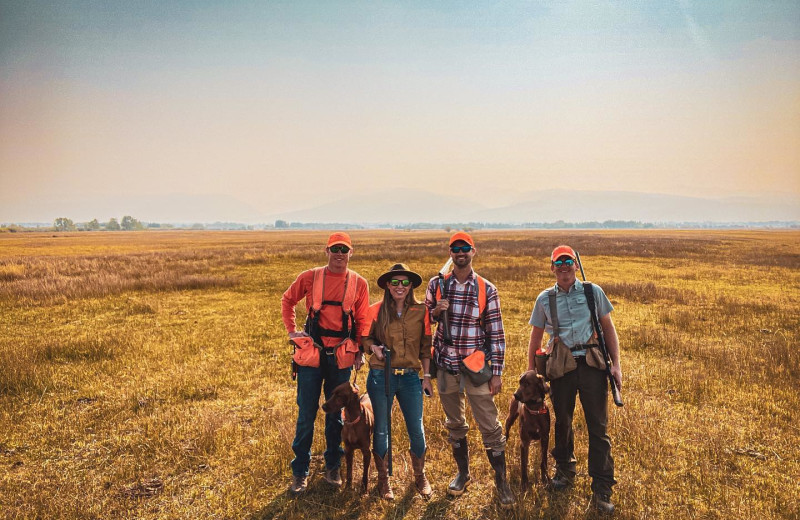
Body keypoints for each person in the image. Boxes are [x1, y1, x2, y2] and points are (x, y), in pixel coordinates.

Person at [527, 245, 623, 515]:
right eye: (558, 262)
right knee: (563, 422)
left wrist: (616, 365)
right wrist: (532, 372)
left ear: (576, 266)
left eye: (568, 261)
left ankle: (602, 487)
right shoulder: (544, 299)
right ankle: (565, 471)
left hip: (592, 363)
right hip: (561, 366)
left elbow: (608, 328)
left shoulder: (593, 292)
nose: (564, 267)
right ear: (552, 268)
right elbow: (535, 339)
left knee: (598, 427)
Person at [424, 232, 514, 509]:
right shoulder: (436, 285)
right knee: (455, 424)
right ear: (450, 253)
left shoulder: (487, 289)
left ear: (473, 251)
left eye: (465, 248)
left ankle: (502, 482)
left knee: (490, 426)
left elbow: (496, 334)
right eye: (455, 248)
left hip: (475, 368)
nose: (460, 252)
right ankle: (463, 474)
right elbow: (422, 324)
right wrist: (436, 312)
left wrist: (496, 372)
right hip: (446, 365)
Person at [281, 232, 371, 495]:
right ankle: (300, 472)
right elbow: (288, 300)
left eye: (344, 249)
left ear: (351, 253)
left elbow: (363, 320)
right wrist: (291, 331)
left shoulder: (359, 283)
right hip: (312, 357)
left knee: (337, 416)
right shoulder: (310, 276)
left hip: (342, 356)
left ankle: (333, 466)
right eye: (335, 249)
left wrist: (359, 351)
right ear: (327, 251)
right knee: (306, 414)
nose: (340, 254)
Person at [362, 263, 433, 500]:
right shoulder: (376, 310)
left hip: (411, 377)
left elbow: (426, 347)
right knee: (381, 429)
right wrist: (373, 348)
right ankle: (384, 481)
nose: (399, 287)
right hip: (381, 375)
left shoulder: (421, 311)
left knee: (417, 427)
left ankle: (420, 476)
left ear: (411, 285)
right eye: (394, 283)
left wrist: (426, 376)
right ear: (387, 287)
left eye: (404, 282)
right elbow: (365, 338)